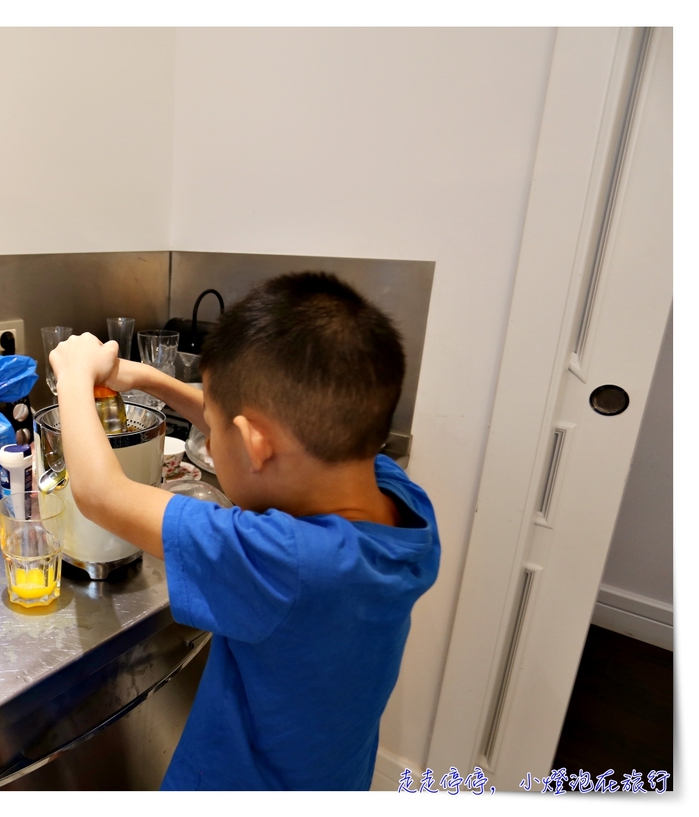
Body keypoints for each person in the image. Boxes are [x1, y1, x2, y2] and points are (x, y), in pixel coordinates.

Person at [48, 272, 440, 790]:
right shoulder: (402, 505)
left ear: (256, 444)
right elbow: (242, 422)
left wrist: (73, 378)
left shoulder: (286, 562)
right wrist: (146, 379)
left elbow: (100, 494)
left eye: (213, 429)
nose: (208, 434)